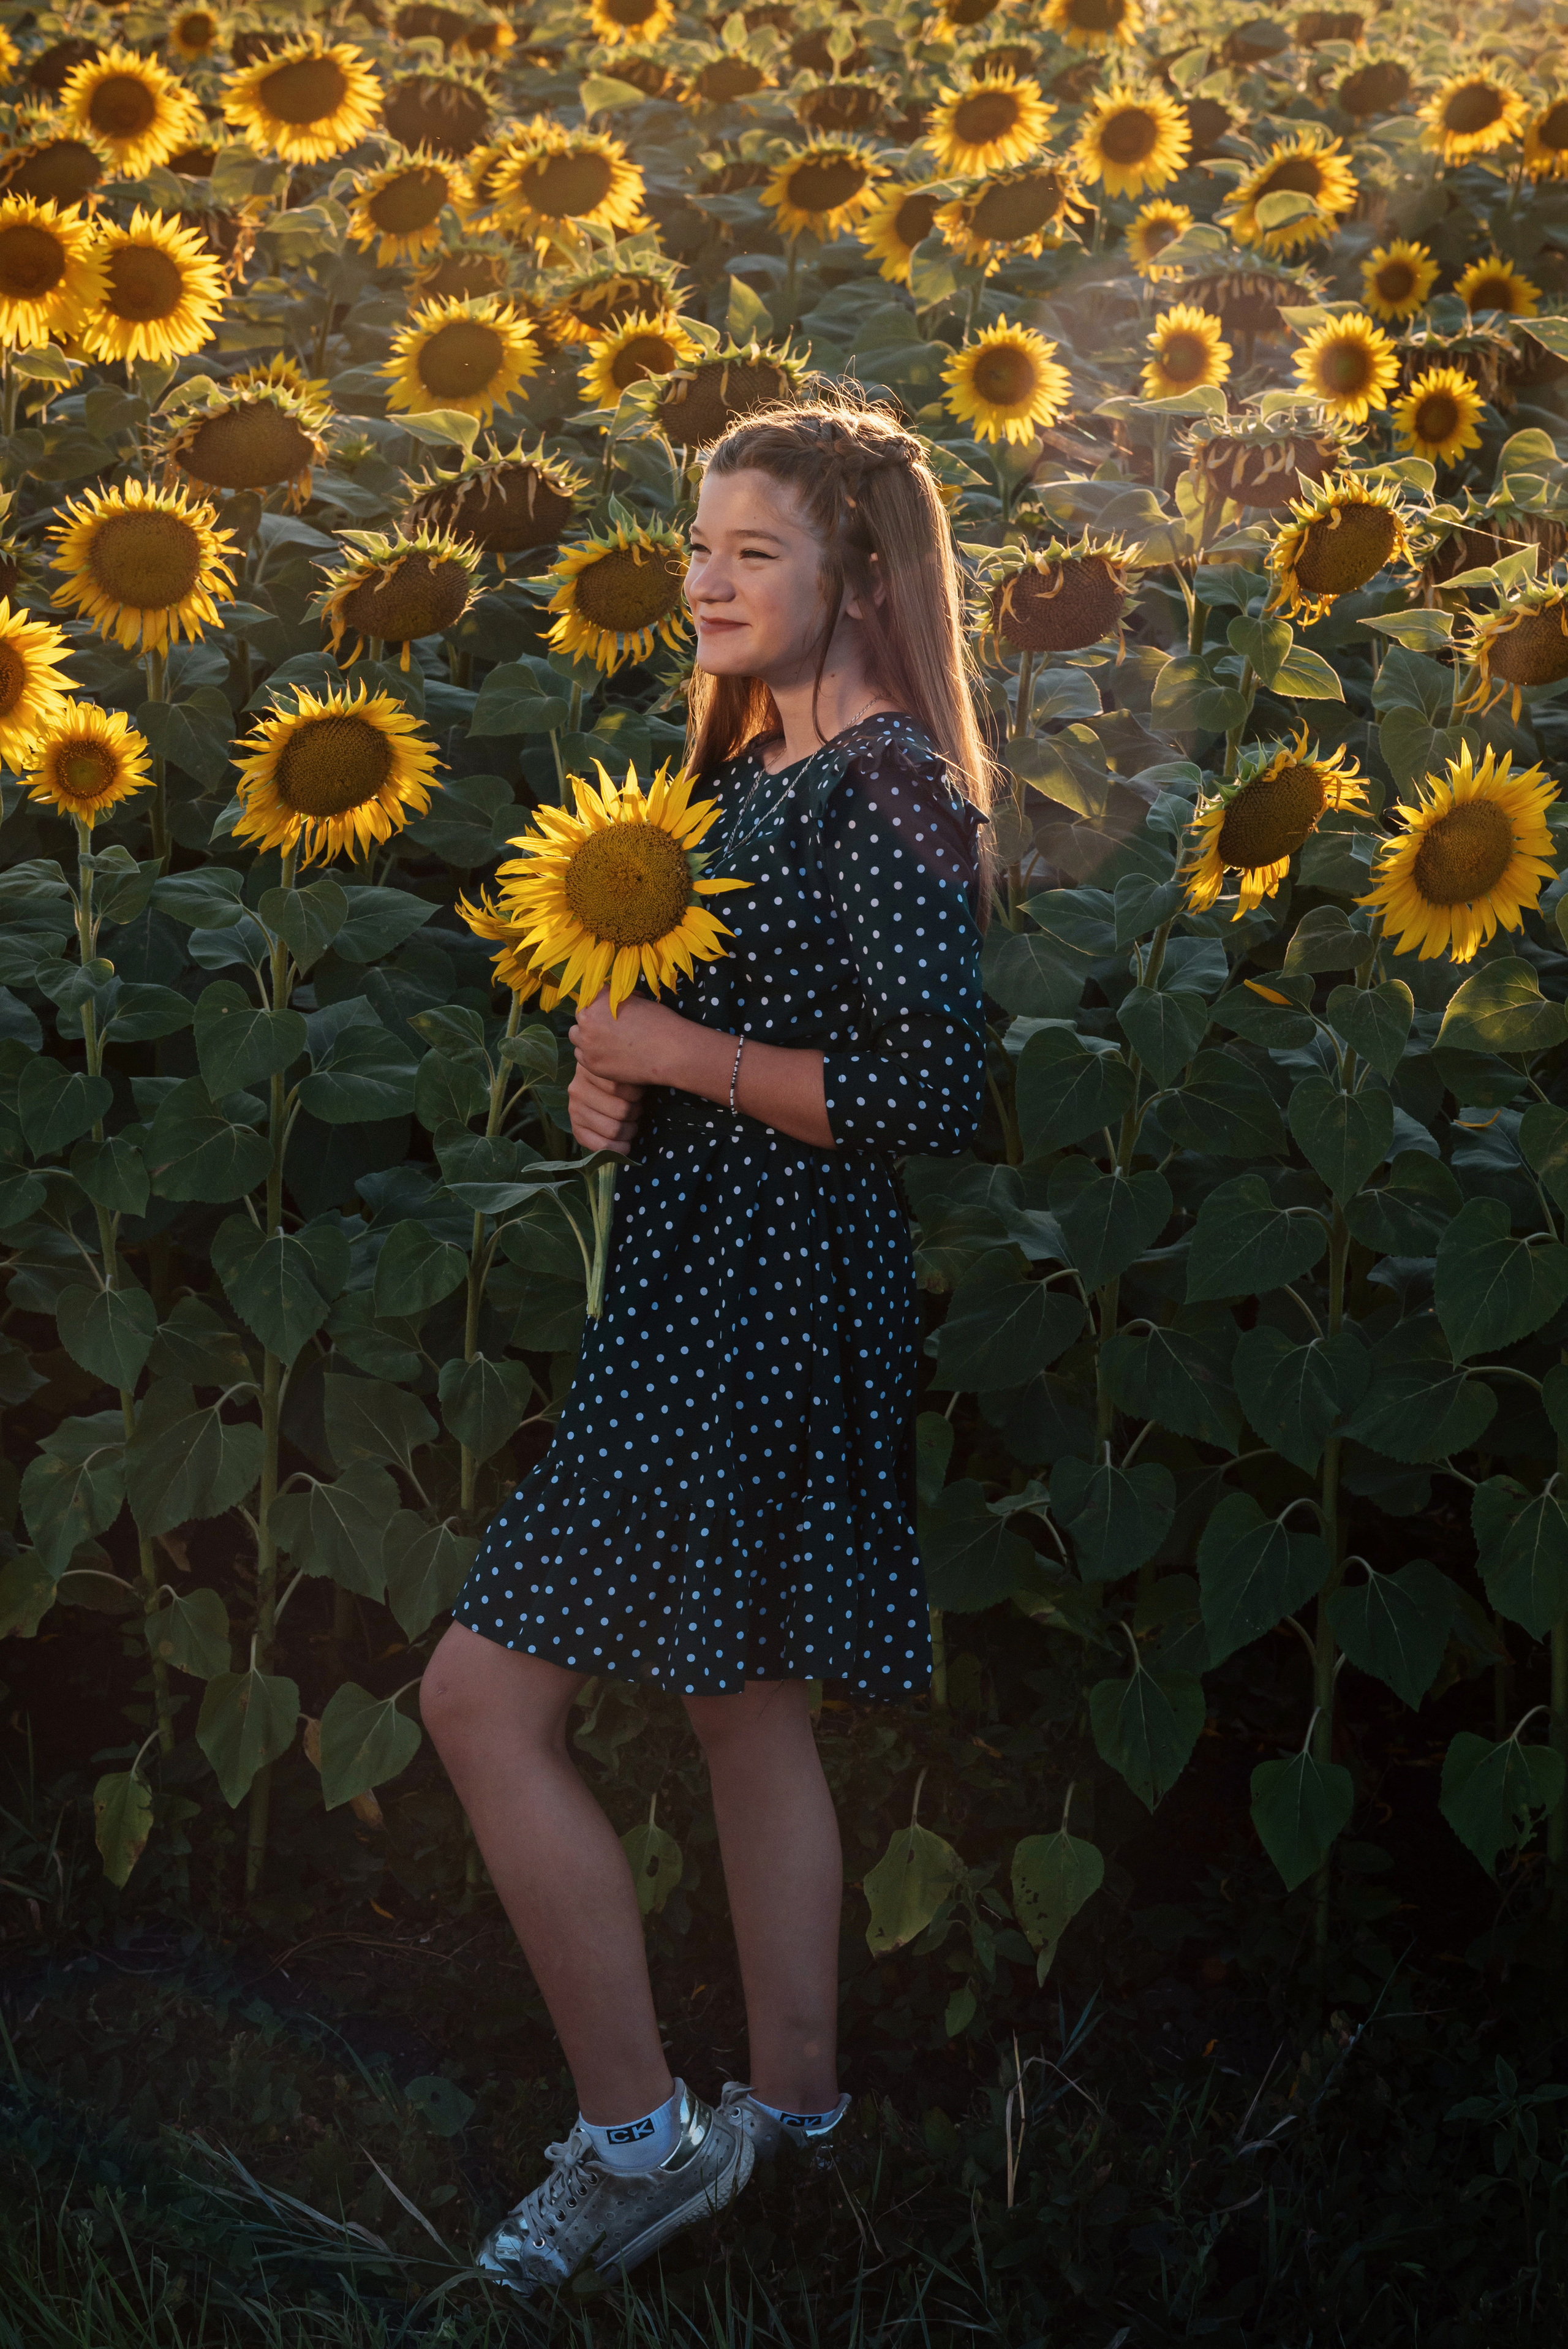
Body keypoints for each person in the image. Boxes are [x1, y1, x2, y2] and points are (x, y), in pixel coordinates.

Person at [420, 392, 992, 2299]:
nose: (710, 581)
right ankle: (800, 2124)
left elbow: (929, 1083)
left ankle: (632, 2137)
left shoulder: (890, 781)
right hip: (708, 1279)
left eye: (756, 551)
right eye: (700, 546)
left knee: (480, 1702)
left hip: (753, 1310)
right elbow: (713, 1044)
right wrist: (618, 1090)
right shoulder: (751, 777)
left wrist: (679, 1058)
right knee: (745, 1702)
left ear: (859, 574)